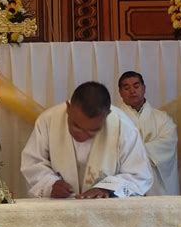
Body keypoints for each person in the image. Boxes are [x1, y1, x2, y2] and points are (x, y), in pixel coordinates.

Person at [20, 81, 153, 199]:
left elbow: (139, 175)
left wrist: (107, 188)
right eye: (76, 126)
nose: (82, 136)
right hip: (59, 209)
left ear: (107, 115)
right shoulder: (48, 120)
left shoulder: (122, 125)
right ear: (68, 108)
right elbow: (33, 162)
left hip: (105, 214)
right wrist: (50, 184)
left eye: (92, 131)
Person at [118, 71, 180, 195]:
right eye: (126, 88)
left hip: (157, 185)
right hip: (127, 182)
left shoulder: (162, 118)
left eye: (136, 86)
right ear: (120, 92)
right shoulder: (113, 119)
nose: (132, 91)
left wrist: (133, 152)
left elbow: (168, 143)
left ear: (144, 88)